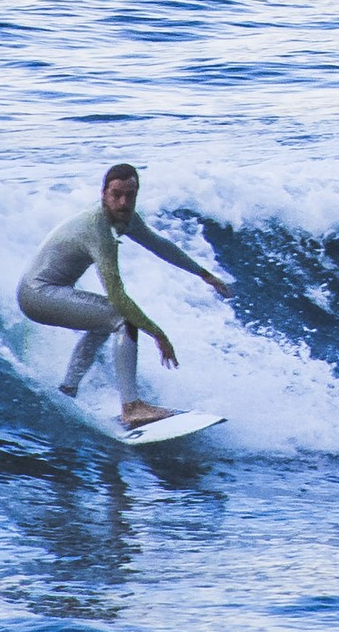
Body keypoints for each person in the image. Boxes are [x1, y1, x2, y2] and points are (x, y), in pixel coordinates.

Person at [18, 161, 231, 430]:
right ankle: (132, 406)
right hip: (38, 294)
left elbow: (159, 244)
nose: (123, 202)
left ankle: (68, 389)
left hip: (47, 291)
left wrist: (202, 273)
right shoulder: (99, 231)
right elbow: (118, 296)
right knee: (122, 317)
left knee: (104, 322)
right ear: (103, 195)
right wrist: (158, 333)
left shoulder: (126, 218)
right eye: (116, 195)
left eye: (130, 195)